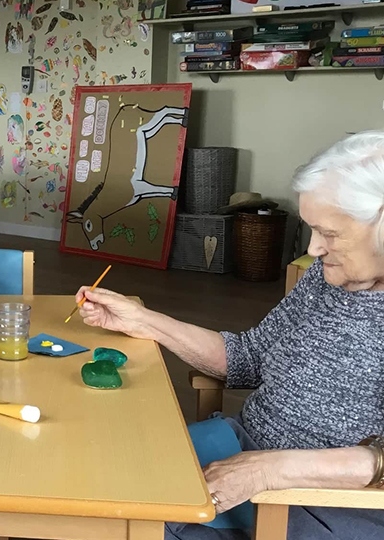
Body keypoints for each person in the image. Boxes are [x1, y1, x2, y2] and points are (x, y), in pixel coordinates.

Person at [76, 130, 384, 539]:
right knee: (92, 478)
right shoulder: (325, 278)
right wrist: (143, 320)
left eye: (330, 233)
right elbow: (249, 358)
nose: (314, 248)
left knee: (121, 523)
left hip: (324, 502)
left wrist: (268, 470)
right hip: (242, 447)